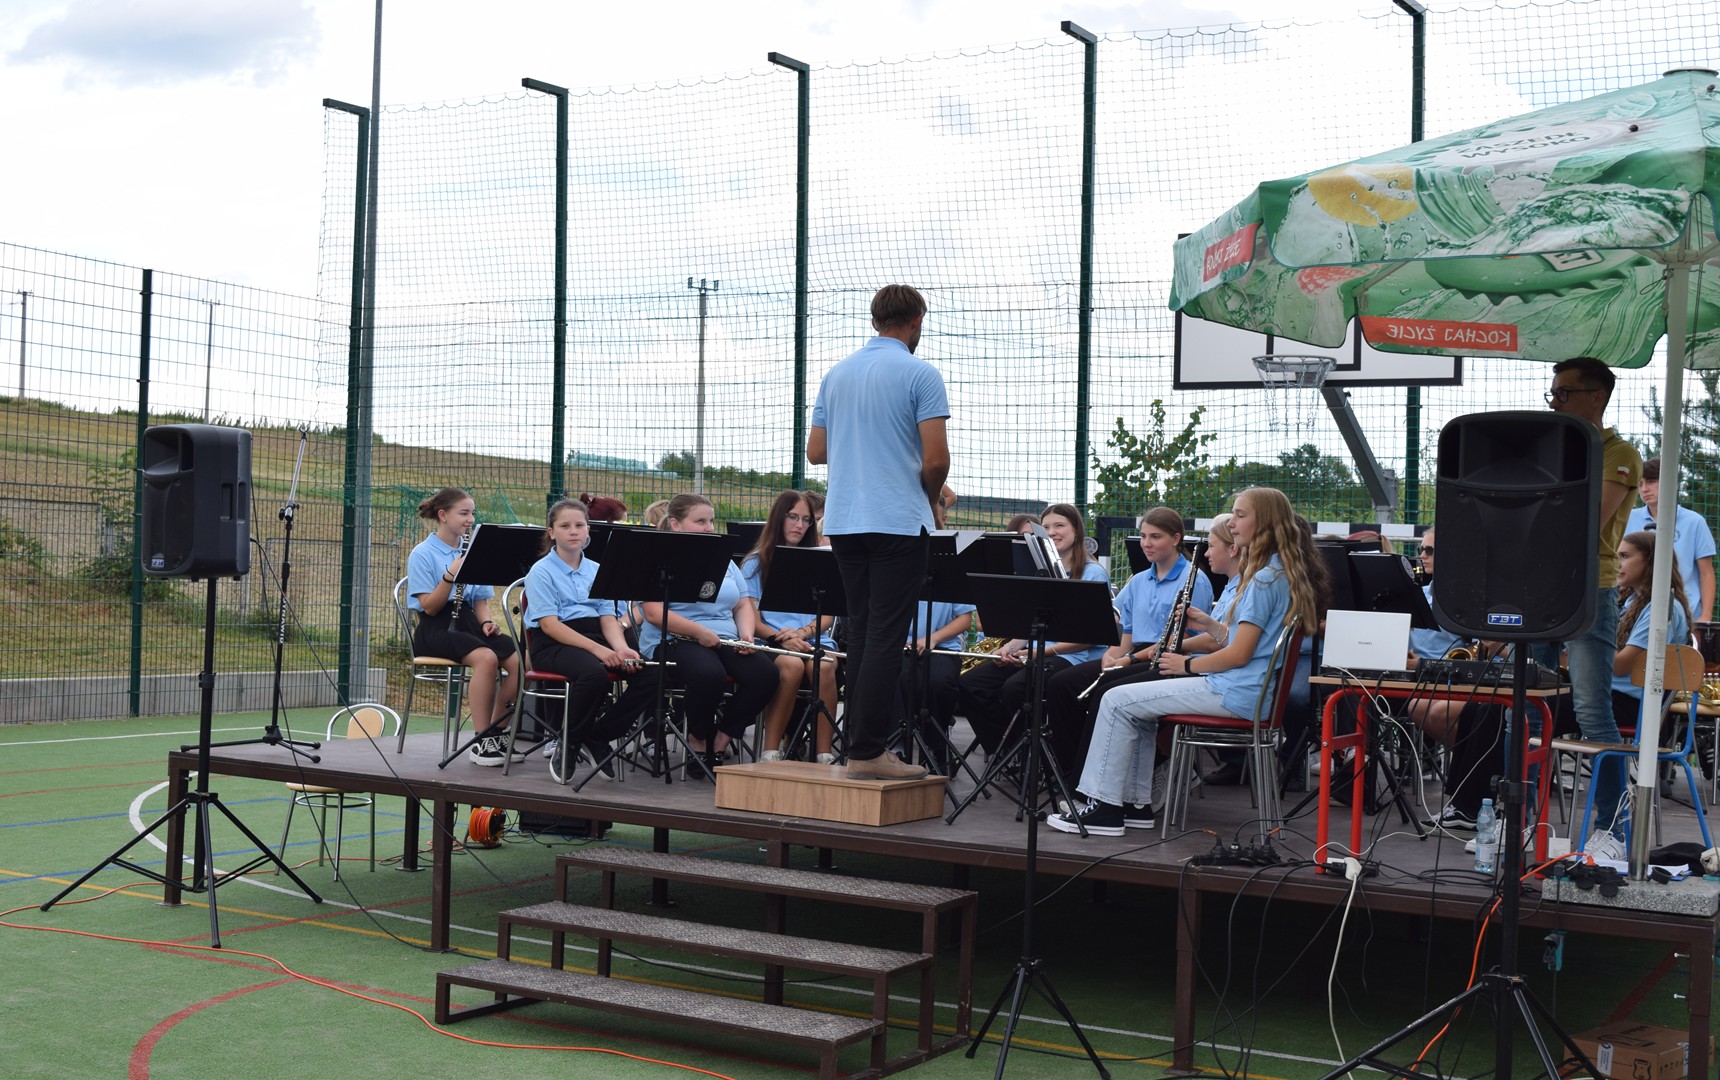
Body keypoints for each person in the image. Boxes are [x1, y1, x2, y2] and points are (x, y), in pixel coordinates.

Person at [1048, 487, 1322, 836]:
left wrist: (1185, 666)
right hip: (1242, 687)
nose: (1232, 523)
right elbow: (1240, 641)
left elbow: (1239, 654)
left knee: (1115, 699)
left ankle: (1104, 808)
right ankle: (1134, 805)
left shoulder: (1264, 579)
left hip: (1234, 690)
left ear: (1265, 521)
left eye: (1240, 516)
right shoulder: (1275, 572)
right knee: (1130, 703)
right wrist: (1209, 626)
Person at [807, 284, 949, 781]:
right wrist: (933, 498)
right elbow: (936, 459)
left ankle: (858, 748)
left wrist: (863, 442)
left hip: (845, 520)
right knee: (886, 636)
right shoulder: (920, 373)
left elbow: (816, 452)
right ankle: (867, 751)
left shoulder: (836, 374)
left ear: (874, 321)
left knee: (864, 631)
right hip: (897, 520)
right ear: (916, 320)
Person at [1039, 507, 1215, 793]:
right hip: (1137, 654)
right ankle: (1073, 774)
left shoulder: (1194, 579)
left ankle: (1119, 776)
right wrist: (1112, 654)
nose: (1146, 543)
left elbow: (1183, 639)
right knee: (1061, 685)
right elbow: (1127, 630)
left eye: (1155, 537)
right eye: (1143, 536)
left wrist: (1127, 659)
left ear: (1175, 539)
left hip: (1172, 658)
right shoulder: (1139, 580)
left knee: (1104, 691)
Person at [598, 494, 778, 773]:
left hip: (724, 638)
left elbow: (742, 603)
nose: (709, 528)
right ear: (675, 523)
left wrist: (746, 635)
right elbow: (653, 613)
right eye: (700, 521)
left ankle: (721, 739)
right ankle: (698, 739)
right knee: (709, 674)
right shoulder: (657, 556)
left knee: (765, 675)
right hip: (674, 639)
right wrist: (699, 632)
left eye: (711, 521)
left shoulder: (723, 558)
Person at [1540, 356, 1642, 844]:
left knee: (1591, 709)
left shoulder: (1619, 452)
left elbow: (1587, 520)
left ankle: (1612, 830)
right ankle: (1521, 822)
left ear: (1596, 397)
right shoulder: (1548, 447)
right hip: (1536, 584)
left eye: (1564, 393)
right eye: (1552, 393)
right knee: (1525, 704)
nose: (1554, 402)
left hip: (1589, 587)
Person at [957, 503, 1113, 765]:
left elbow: (1088, 636)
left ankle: (1041, 757)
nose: (1052, 532)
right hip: (1039, 650)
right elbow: (1033, 623)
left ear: (1077, 530)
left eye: (1059, 525)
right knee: (973, 684)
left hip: (1074, 657)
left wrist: (1037, 652)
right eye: (1047, 527)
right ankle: (1010, 751)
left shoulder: (1092, 572)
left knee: (1015, 689)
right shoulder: (1042, 568)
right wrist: (1010, 648)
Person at [522, 498, 642, 778]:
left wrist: (620, 649)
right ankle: (569, 743)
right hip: (554, 643)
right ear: (551, 532)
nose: (573, 531)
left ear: (588, 529)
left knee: (650, 673)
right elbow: (550, 626)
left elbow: (607, 618)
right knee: (594, 674)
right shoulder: (541, 571)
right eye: (565, 526)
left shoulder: (597, 569)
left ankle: (598, 736)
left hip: (594, 636)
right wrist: (600, 651)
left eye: (579, 525)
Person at [407, 487, 523, 766]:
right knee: (486, 659)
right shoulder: (422, 554)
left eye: (472, 513)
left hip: (468, 622)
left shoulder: (474, 550)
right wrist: (451, 575)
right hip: (436, 627)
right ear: (443, 515)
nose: (470, 519)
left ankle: (496, 731)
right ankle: (481, 740)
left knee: (522, 661)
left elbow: (480, 601)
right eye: (464, 513)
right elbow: (430, 607)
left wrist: (487, 623)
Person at [741, 490, 838, 763]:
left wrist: (803, 633)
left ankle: (823, 752)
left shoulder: (819, 560)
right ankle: (771, 749)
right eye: (793, 517)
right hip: (770, 640)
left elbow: (827, 616)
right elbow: (751, 619)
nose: (800, 525)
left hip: (811, 639)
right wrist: (781, 638)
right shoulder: (755, 563)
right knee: (791, 665)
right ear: (778, 518)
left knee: (825, 666)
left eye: (806, 520)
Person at [1625, 457, 1716, 621]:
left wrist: (1706, 616)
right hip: (1636, 613)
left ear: (1670, 482)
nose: (1644, 489)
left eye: (1651, 481)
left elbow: (1706, 573)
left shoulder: (1694, 522)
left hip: (1686, 615)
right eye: (1640, 484)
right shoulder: (1629, 519)